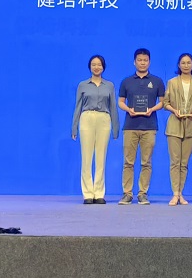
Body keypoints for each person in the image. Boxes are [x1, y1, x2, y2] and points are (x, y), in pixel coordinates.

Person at [118, 48, 165, 205]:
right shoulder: (126, 81)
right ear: (134, 62)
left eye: (145, 60)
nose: (142, 63)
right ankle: (127, 194)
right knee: (128, 162)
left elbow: (163, 102)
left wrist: (152, 109)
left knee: (146, 162)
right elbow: (120, 102)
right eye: (139, 60)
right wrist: (128, 110)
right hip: (130, 126)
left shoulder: (157, 81)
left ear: (149, 62)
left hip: (149, 126)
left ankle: (143, 193)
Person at [71, 55, 120, 204]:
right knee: (86, 157)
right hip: (87, 117)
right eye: (93, 64)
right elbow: (78, 106)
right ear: (89, 67)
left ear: (103, 67)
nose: (96, 67)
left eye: (99, 64)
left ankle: (99, 193)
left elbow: (113, 107)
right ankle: (87, 193)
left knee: (101, 157)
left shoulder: (109, 85)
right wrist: (74, 127)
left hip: (104, 118)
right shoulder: (83, 85)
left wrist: (115, 127)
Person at [162, 53, 192, 206]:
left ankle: (181, 193)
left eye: (188, 63)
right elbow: (165, 102)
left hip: (191, 124)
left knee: (184, 162)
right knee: (175, 161)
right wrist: (174, 110)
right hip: (174, 124)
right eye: (183, 63)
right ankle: (175, 193)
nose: (186, 65)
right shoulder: (172, 82)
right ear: (178, 65)